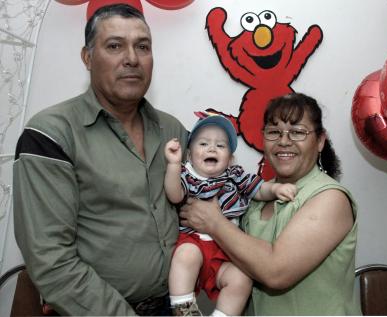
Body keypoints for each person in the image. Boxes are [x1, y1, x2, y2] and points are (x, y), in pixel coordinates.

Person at [13, 3, 187, 316]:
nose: (132, 58)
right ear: (87, 57)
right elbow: (50, 260)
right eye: (115, 46)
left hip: (169, 306)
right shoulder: (52, 133)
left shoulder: (172, 130)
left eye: (143, 46)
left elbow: (198, 206)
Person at [179, 93, 362, 315]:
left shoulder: (330, 198)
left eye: (297, 132)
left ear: (320, 141)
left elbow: (276, 272)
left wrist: (214, 223)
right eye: (274, 132)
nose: (284, 141)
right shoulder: (256, 196)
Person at [164, 114, 297, 316]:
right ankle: (183, 309)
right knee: (185, 256)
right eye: (203, 143)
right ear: (190, 155)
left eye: (220, 146)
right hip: (194, 241)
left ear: (230, 159)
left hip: (226, 249)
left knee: (241, 278)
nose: (212, 148)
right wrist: (173, 165)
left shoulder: (235, 176)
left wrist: (276, 189)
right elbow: (174, 195)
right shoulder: (188, 175)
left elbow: (259, 189)